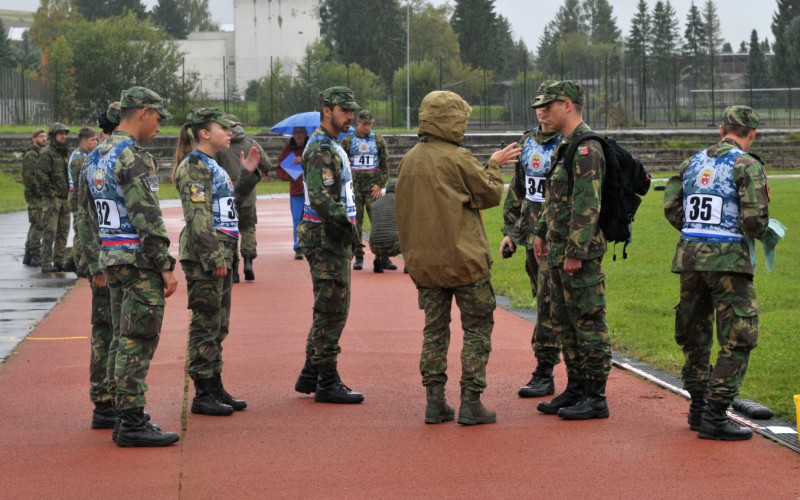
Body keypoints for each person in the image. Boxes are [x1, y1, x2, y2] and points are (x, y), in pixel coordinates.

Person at [396, 90, 521, 425]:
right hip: (465, 261)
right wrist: (494, 165)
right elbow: (490, 194)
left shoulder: (409, 160)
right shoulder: (458, 157)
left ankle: (434, 402)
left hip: (426, 264)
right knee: (478, 329)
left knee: (434, 332)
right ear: (451, 120)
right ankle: (471, 400)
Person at [663, 105, 769, 441]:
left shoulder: (692, 162)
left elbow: (670, 205)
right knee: (739, 335)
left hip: (691, 257)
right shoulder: (746, 164)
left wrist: (696, 231)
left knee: (695, 335)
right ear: (750, 134)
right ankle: (715, 414)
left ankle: (697, 407)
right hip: (728, 262)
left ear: (723, 129)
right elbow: (754, 222)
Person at [83, 86, 179, 447]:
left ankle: (122, 412)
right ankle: (131, 421)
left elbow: (91, 213)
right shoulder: (133, 156)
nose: (159, 125)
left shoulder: (97, 155)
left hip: (112, 257)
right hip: (138, 261)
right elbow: (147, 216)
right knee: (137, 340)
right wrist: (165, 263)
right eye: (157, 116)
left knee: (121, 340)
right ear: (142, 112)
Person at [532, 80, 612, 420]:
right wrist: (540, 232)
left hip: (579, 255)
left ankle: (595, 396)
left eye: (548, 106)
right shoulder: (566, 146)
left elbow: (587, 205)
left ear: (568, 105)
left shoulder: (586, 148)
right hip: (559, 250)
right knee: (564, 322)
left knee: (588, 322)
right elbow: (557, 200)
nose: (541, 112)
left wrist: (576, 251)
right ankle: (576, 387)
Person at [174, 108, 261, 416]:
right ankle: (202, 392)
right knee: (205, 323)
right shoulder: (195, 166)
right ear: (204, 133)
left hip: (221, 249)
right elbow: (198, 219)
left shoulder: (212, 165)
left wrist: (248, 176)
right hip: (205, 256)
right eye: (222, 127)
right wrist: (214, 257)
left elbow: (229, 205)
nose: (230, 132)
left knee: (218, 324)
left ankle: (215, 383)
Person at [293, 86, 364, 404]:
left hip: (330, 236)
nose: (351, 115)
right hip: (326, 237)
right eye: (344, 110)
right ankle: (327, 380)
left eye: (352, 110)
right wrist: (349, 229)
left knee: (330, 307)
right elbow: (322, 199)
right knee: (332, 310)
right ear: (326, 110)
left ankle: (312, 371)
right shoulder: (321, 148)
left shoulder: (332, 145)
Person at [500, 81, 563, 399]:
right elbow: (518, 190)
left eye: (548, 106)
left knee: (550, 305)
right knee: (544, 301)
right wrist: (511, 233)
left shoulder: (570, 142)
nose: (542, 112)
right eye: (538, 106)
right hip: (531, 238)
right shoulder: (527, 142)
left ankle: (546, 369)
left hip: (559, 238)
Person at [75, 104, 120, 431]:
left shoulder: (111, 156)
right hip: (106, 261)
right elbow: (86, 219)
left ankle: (111, 398)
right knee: (107, 331)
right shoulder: (97, 160)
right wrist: (97, 266)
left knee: (116, 331)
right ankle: (104, 401)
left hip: (117, 258)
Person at [215, 114, 271, 282]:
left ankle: (234, 269)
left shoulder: (220, 144)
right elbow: (266, 163)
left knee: (229, 230)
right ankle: (248, 260)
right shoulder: (250, 142)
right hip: (248, 195)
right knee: (248, 228)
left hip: (226, 195)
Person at [340, 109, 390, 271]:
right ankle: (359, 256)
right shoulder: (347, 141)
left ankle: (382, 256)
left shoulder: (378, 140)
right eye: (363, 124)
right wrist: (347, 185)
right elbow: (342, 164)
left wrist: (379, 184)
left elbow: (385, 165)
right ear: (358, 123)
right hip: (355, 190)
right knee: (356, 223)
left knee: (378, 223)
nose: (366, 127)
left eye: (369, 124)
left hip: (372, 189)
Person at [37, 122, 71, 273]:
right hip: (53, 198)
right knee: (50, 231)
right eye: (60, 133)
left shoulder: (63, 152)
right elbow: (41, 175)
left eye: (65, 133)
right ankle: (46, 262)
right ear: (53, 136)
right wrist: (50, 194)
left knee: (64, 230)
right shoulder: (47, 153)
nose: (63, 136)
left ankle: (59, 260)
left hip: (64, 197)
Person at [65, 126, 99, 275]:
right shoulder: (80, 158)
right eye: (93, 140)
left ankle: (72, 261)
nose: (96, 143)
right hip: (79, 198)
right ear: (84, 141)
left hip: (80, 197)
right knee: (81, 231)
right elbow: (81, 185)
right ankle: (80, 265)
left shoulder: (84, 155)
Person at [275, 126, 308, 260]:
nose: (299, 135)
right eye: (296, 132)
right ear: (293, 134)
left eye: (301, 132)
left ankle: (313, 245)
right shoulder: (288, 150)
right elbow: (279, 169)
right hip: (296, 191)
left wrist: (304, 159)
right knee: (297, 220)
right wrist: (290, 176)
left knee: (314, 220)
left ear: (306, 134)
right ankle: (298, 247)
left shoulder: (311, 147)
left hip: (312, 191)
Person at [22, 128, 47, 267]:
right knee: (38, 225)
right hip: (35, 196)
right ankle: (35, 254)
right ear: (34, 138)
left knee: (36, 225)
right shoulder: (31, 155)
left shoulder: (39, 153)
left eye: (45, 136)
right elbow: (31, 178)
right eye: (41, 136)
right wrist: (41, 192)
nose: (44, 139)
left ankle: (29, 254)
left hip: (38, 195)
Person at [368, 179, 400, 273]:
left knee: (382, 229)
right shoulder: (401, 202)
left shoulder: (374, 204)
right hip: (393, 245)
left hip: (374, 246)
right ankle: (408, 265)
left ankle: (379, 258)